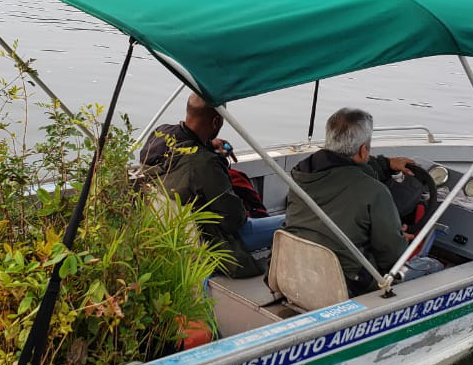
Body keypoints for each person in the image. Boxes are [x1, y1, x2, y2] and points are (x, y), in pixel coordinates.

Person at [284, 107, 429, 295]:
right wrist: (399, 238)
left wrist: (385, 164)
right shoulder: (375, 191)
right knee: (429, 266)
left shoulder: (300, 174)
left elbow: (343, 168)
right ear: (363, 151)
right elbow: (392, 258)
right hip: (347, 283)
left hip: (295, 268)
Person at [140, 94, 283, 278]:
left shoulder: (160, 134)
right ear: (216, 121)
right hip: (211, 240)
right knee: (289, 222)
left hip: (172, 232)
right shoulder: (205, 164)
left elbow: (182, 151)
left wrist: (207, 144)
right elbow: (235, 220)